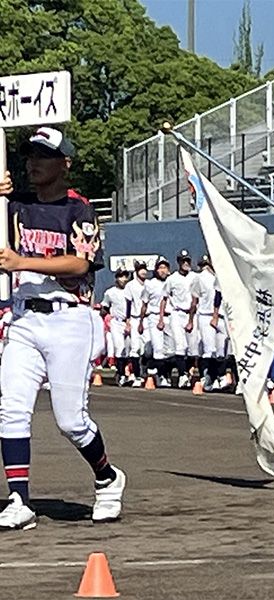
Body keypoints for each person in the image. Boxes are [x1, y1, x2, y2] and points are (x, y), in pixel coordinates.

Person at [0, 127, 125, 529]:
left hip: (71, 316)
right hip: (24, 318)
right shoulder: (15, 203)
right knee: (11, 409)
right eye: (30, 155)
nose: (33, 162)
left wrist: (22, 263)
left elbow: (81, 264)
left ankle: (107, 478)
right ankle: (19, 499)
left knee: (70, 421)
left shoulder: (80, 209)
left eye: (44, 155)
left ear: (65, 163)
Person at [159, 249, 198, 389]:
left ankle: (188, 372)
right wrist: (161, 319)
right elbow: (164, 298)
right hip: (177, 313)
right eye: (183, 261)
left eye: (187, 261)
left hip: (192, 313)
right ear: (178, 262)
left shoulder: (195, 277)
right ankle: (182, 375)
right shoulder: (172, 279)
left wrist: (192, 319)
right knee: (180, 345)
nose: (186, 263)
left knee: (193, 348)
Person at [192, 255, 228, 391]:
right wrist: (191, 319)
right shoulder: (201, 277)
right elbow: (194, 299)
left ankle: (221, 376)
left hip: (222, 316)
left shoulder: (224, 274)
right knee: (209, 349)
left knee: (221, 350)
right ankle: (208, 378)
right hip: (206, 316)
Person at [140, 259, 173, 387]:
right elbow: (144, 304)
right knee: (158, 348)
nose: (163, 270)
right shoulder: (150, 284)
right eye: (160, 268)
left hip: (170, 316)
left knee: (170, 350)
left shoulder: (171, 281)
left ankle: (164, 373)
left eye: (165, 267)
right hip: (153, 317)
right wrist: (141, 322)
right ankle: (161, 376)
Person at [100, 269, 131, 386]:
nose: (123, 279)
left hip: (130, 321)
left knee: (130, 348)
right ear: (116, 278)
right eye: (121, 276)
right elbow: (105, 307)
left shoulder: (131, 290)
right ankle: (121, 374)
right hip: (116, 321)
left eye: (125, 276)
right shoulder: (110, 292)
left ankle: (131, 373)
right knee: (119, 347)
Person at [123, 260, 149, 387]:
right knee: (135, 348)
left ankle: (144, 372)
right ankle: (136, 375)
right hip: (134, 318)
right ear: (136, 271)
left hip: (148, 318)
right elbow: (128, 304)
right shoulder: (131, 285)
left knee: (147, 348)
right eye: (140, 269)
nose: (143, 271)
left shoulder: (149, 284)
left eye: (144, 269)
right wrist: (127, 321)